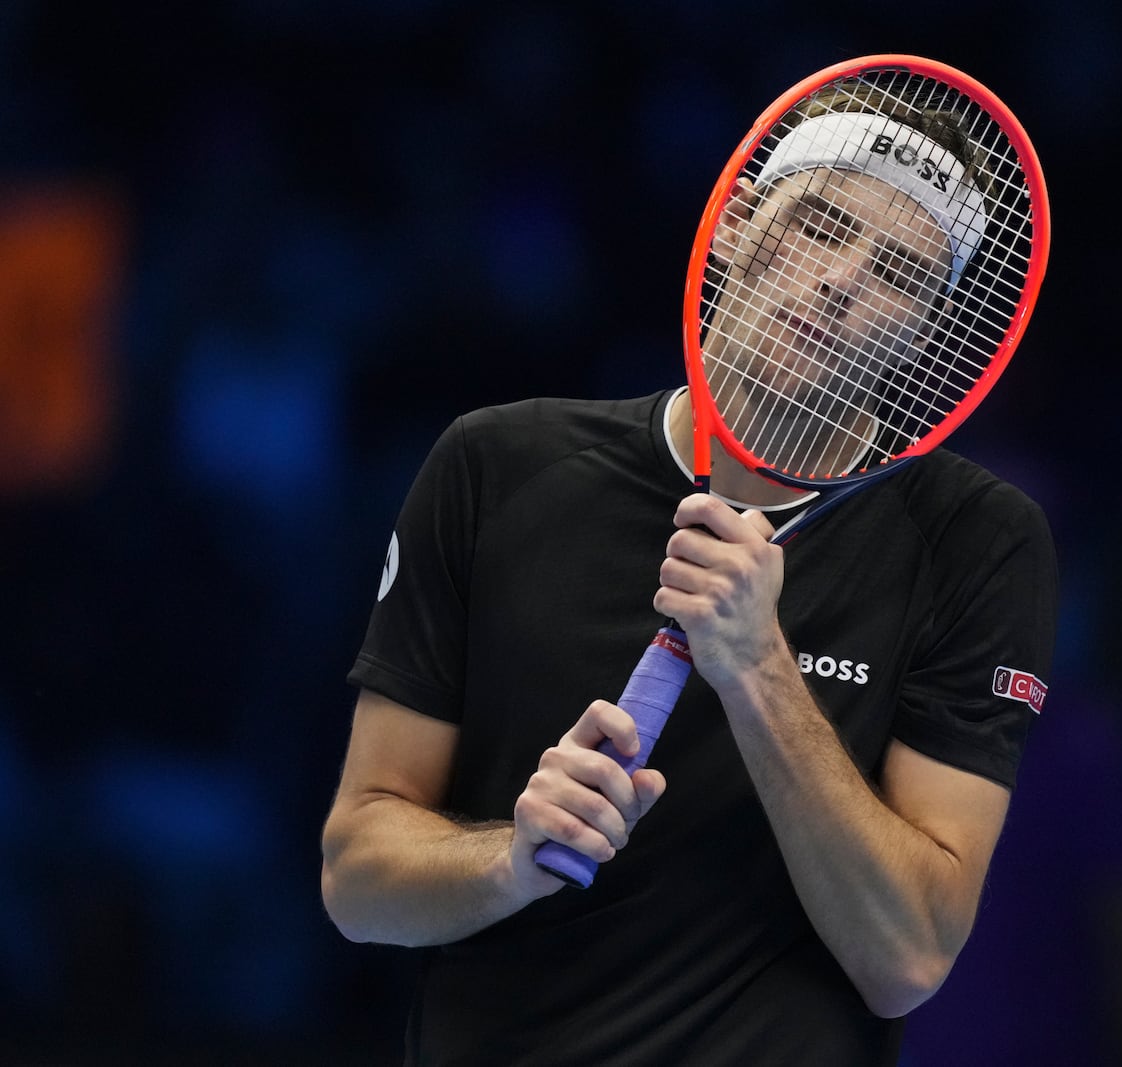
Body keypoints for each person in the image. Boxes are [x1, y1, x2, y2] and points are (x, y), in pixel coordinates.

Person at [320, 82, 1057, 1066]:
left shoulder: (975, 542)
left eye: (898, 274)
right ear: (737, 227)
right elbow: (357, 878)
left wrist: (756, 665)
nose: (839, 281)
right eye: (820, 226)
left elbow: (908, 952)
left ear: (927, 332)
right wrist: (509, 856)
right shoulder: (497, 466)